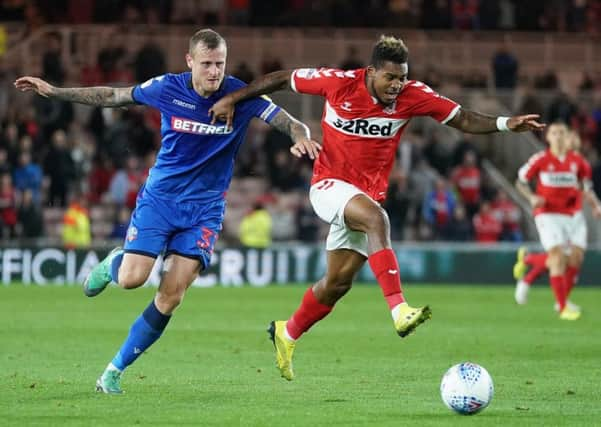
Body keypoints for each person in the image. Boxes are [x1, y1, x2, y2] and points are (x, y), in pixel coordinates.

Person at [209, 34, 544, 381]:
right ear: (371, 72)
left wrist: (506, 124)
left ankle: (286, 332)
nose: (397, 85)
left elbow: (462, 119)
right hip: (328, 186)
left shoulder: (414, 95)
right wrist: (234, 98)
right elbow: (280, 78)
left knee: (336, 283)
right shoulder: (337, 83)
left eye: (401, 77)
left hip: (365, 194)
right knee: (376, 219)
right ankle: (399, 310)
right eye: (390, 77)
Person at [15, 28, 320, 394]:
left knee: (172, 295)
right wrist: (55, 91)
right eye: (206, 64)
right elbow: (114, 95)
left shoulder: (241, 94)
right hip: (161, 199)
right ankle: (114, 263)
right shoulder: (167, 87)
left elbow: (289, 120)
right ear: (190, 61)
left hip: (205, 210)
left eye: (219, 63)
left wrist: (300, 135)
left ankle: (113, 371)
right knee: (131, 279)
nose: (214, 72)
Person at [515, 124, 601, 320]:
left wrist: (596, 206)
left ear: (567, 136)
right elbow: (520, 181)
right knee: (558, 257)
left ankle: (528, 259)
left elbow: (586, 187)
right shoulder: (541, 159)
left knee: (575, 259)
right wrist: (531, 197)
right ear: (548, 138)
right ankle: (562, 307)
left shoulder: (578, 162)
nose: (559, 136)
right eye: (555, 133)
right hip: (548, 214)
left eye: (562, 132)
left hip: (573, 216)